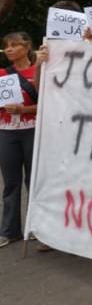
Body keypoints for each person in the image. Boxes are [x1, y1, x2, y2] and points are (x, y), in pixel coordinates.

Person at [0, 32, 38, 249]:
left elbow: (47, 103)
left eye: (15, 45)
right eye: (7, 46)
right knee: (11, 183)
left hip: (32, 130)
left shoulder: (38, 72)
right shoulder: (2, 74)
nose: (10, 49)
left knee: (33, 181)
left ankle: (34, 227)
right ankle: (9, 231)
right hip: (6, 131)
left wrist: (23, 109)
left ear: (27, 47)